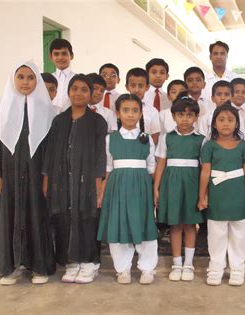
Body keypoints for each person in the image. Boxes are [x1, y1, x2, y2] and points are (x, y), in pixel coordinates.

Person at [0, 61, 56, 285]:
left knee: (36, 215)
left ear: (37, 80)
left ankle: (39, 266)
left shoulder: (46, 109)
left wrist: (48, 176)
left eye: (31, 77)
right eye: (21, 77)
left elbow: (51, 147)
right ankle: (9, 267)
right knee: (8, 215)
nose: (26, 82)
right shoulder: (0, 108)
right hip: (9, 174)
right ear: (13, 79)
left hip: (37, 173)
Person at [43, 74, 107, 284]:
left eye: (84, 90)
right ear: (68, 92)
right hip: (62, 180)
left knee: (87, 218)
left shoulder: (97, 121)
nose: (78, 93)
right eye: (75, 88)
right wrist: (46, 179)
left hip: (87, 180)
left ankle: (90, 263)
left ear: (91, 94)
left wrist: (98, 183)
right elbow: (50, 153)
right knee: (64, 219)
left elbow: (100, 154)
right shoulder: (59, 120)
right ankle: (71, 262)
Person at [97, 94, 158, 285]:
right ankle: (122, 269)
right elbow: (107, 168)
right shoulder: (110, 139)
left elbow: (151, 168)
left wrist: (153, 192)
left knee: (144, 224)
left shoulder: (146, 139)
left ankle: (147, 268)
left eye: (135, 111)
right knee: (119, 224)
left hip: (141, 187)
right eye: (125, 110)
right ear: (118, 113)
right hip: (117, 186)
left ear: (141, 113)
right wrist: (101, 193)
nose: (130, 115)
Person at [198, 105, 245, 286]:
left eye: (230, 120)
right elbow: (205, 172)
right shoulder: (209, 146)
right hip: (218, 194)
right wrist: (202, 195)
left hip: (238, 193)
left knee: (240, 232)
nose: (226, 124)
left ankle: (238, 269)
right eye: (221, 120)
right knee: (216, 233)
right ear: (214, 124)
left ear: (237, 124)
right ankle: (216, 268)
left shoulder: (243, 146)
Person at [154, 95, 205, 282]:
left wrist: (203, 193)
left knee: (190, 224)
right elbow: (161, 163)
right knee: (175, 224)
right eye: (180, 115)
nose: (185, 119)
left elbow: (204, 168)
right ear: (173, 117)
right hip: (172, 182)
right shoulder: (167, 137)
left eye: (190, 115)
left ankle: (189, 264)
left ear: (196, 117)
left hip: (192, 183)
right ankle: (177, 263)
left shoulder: (201, 139)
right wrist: (156, 188)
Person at [124, 67, 161, 144]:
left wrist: (147, 150)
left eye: (140, 86)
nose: (137, 90)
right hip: (124, 150)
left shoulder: (152, 111)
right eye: (133, 86)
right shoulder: (121, 108)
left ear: (147, 87)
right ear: (127, 87)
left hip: (145, 151)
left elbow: (155, 135)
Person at [203, 41, 239, 106]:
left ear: (227, 56)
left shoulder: (237, 78)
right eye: (215, 53)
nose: (219, 57)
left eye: (222, 53)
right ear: (210, 57)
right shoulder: (203, 80)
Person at [50, 38, 75, 113]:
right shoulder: (46, 79)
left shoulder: (77, 79)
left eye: (64, 53)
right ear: (51, 57)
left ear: (71, 56)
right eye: (56, 54)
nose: (60, 58)